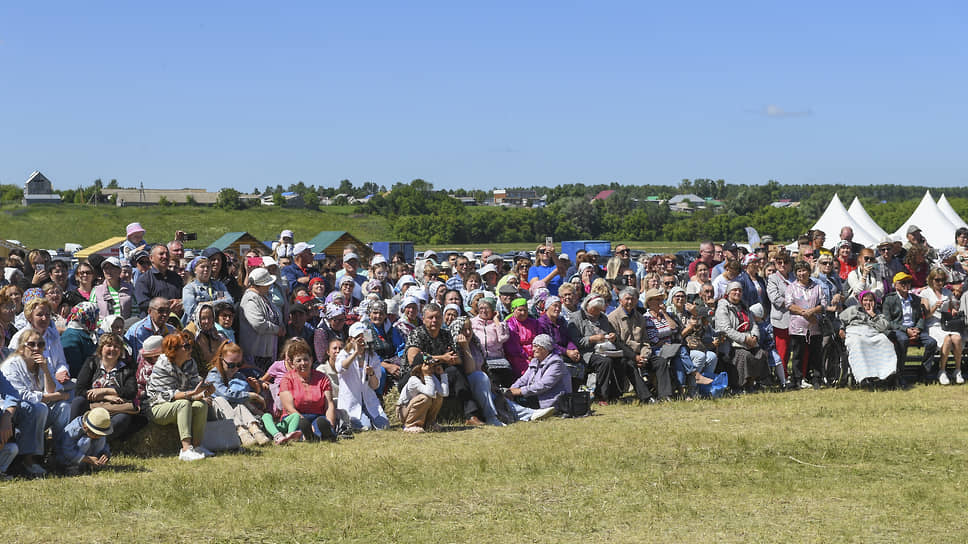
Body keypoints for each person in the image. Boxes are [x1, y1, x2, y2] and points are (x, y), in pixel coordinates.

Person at [1, 329, 71, 476]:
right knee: (40, 408)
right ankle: (29, 460)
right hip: (18, 410)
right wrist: (55, 397)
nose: (36, 348)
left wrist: (45, 370)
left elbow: (52, 389)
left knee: (64, 407)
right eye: (31, 344)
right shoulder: (12, 365)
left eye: (40, 344)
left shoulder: (43, 362)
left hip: (33, 411)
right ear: (21, 347)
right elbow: (20, 396)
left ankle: (61, 453)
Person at [405, 303, 482, 426]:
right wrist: (442, 358)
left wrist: (452, 359)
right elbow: (415, 358)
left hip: (439, 373)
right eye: (431, 318)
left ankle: (471, 415)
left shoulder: (445, 334)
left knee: (457, 371)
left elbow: (456, 358)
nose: (434, 320)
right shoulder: (416, 334)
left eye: (438, 317)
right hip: (417, 375)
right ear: (423, 319)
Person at [145, 332, 215, 461]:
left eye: (190, 346)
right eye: (186, 347)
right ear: (174, 350)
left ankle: (197, 446)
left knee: (201, 405)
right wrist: (193, 393)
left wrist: (205, 392)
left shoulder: (190, 363)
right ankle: (186, 449)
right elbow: (168, 395)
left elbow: (194, 387)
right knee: (183, 404)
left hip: (182, 401)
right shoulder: (162, 365)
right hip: (157, 406)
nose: (190, 349)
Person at [570, 294, 652, 404]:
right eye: (595, 310)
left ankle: (615, 394)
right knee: (605, 362)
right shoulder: (577, 318)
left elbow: (611, 335)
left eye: (599, 310)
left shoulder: (602, 317)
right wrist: (591, 339)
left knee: (623, 361)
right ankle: (602, 396)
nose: (597, 313)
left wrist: (613, 337)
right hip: (587, 353)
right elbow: (575, 341)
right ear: (587, 307)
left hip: (606, 349)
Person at [71, 331, 144, 441]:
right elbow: (79, 390)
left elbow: (131, 391)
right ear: (101, 348)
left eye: (116, 347)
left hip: (115, 409)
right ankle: (70, 438)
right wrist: (106, 396)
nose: (112, 349)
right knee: (78, 402)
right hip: (92, 406)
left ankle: (96, 442)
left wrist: (104, 390)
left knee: (123, 418)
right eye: (109, 345)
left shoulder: (126, 368)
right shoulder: (91, 363)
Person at [206, 341, 271, 447]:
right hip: (217, 410)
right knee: (221, 400)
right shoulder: (213, 375)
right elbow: (226, 395)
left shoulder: (238, 375)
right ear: (221, 360)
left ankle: (254, 429)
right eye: (231, 365)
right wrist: (251, 395)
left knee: (239, 404)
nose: (235, 368)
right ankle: (241, 431)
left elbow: (242, 397)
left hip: (235, 411)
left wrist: (256, 389)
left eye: (239, 364)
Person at [276, 339, 337, 442]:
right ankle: (309, 435)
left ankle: (325, 434)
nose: (303, 363)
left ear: (311, 359)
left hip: (317, 416)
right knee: (302, 426)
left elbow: (329, 404)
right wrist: (306, 423)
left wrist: (330, 423)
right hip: (295, 417)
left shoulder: (322, 378)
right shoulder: (287, 379)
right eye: (298, 360)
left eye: (306, 359)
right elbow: (289, 408)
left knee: (320, 423)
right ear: (292, 363)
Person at [883, 272, 937, 387]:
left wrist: (917, 329)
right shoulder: (889, 299)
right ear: (895, 285)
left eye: (908, 282)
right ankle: (900, 373)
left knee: (931, 343)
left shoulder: (916, 299)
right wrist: (906, 330)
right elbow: (888, 321)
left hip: (914, 328)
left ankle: (923, 372)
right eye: (903, 282)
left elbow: (921, 317)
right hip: (899, 329)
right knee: (903, 340)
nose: (906, 284)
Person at [450, 316, 504, 426]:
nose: (468, 332)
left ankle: (527, 413)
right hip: (466, 384)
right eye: (464, 329)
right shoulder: (454, 346)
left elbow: (484, 366)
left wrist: (491, 384)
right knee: (479, 376)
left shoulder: (475, 344)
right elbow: (470, 371)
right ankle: (491, 417)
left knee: (500, 396)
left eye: (470, 328)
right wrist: (465, 347)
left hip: (482, 384)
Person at [715, 282, 769, 392]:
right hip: (731, 344)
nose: (737, 292)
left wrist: (754, 337)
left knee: (761, 354)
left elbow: (753, 324)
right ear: (728, 292)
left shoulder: (744, 306)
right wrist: (744, 339)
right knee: (745, 356)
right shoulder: (723, 307)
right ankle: (740, 385)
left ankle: (752, 383)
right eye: (734, 290)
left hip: (749, 341)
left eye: (739, 290)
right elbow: (725, 329)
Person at [336, 322, 389, 431]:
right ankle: (349, 421)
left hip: (369, 400)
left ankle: (368, 418)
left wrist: (371, 374)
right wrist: (355, 353)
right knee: (366, 427)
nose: (362, 341)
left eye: (364, 337)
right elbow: (340, 368)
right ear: (351, 339)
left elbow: (375, 386)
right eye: (358, 338)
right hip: (351, 402)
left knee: (384, 427)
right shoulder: (344, 354)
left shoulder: (372, 356)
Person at [502, 334, 566, 422]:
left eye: (536, 346)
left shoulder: (556, 363)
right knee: (501, 396)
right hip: (533, 396)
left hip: (547, 401)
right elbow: (523, 380)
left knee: (505, 401)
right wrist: (511, 390)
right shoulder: (535, 361)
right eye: (533, 346)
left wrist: (519, 391)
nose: (533, 349)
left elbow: (543, 385)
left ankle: (526, 414)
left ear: (545, 348)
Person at [840, 291, 897, 385]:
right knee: (858, 342)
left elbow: (884, 327)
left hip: (872, 333)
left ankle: (885, 373)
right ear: (861, 301)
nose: (868, 302)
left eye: (871, 300)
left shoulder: (877, 312)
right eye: (865, 300)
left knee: (884, 341)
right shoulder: (852, 310)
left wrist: (873, 315)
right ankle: (863, 375)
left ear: (874, 302)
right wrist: (841, 329)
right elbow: (840, 320)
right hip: (856, 332)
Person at [786, 262, 826, 389]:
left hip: (814, 326)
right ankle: (797, 379)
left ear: (809, 272)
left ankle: (816, 378)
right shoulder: (791, 287)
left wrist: (813, 311)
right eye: (799, 271)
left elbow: (823, 303)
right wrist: (804, 312)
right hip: (798, 326)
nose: (801, 273)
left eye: (804, 270)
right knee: (798, 354)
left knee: (816, 353)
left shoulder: (817, 287)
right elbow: (789, 304)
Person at [920, 268, 963, 385]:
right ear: (931, 280)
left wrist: (953, 310)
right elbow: (926, 316)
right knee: (947, 339)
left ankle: (957, 370)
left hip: (946, 324)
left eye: (942, 280)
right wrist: (935, 306)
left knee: (957, 338)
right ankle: (942, 370)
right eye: (937, 280)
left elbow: (952, 308)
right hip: (932, 324)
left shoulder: (947, 293)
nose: (940, 283)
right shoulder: (925, 293)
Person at [239, 268, 285, 370]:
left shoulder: (263, 296)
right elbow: (258, 323)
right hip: (256, 352)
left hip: (267, 351)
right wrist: (277, 329)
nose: (269, 286)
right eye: (267, 283)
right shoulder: (250, 298)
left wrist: (281, 325)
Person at [396, 352, 448, 433]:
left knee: (438, 396)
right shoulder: (413, 380)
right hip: (403, 410)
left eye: (433, 366)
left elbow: (444, 393)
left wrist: (442, 375)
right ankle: (410, 425)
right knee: (424, 398)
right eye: (429, 366)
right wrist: (427, 375)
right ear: (420, 367)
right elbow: (430, 393)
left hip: (416, 408)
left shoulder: (431, 377)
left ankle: (429, 423)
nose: (432, 368)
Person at [54, 406, 113, 475]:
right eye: (96, 434)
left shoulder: (98, 434)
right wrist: (87, 459)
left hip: (87, 456)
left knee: (101, 440)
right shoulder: (74, 429)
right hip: (66, 458)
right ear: (85, 428)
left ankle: (93, 464)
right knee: (85, 441)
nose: (98, 437)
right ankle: (71, 466)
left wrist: (105, 453)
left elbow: (105, 444)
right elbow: (67, 449)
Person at [181, 256, 233, 327]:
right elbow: (192, 310)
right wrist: (218, 303)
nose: (206, 269)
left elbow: (229, 301)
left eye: (208, 267)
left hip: (217, 326)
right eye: (202, 267)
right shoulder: (189, 288)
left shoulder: (218, 286)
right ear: (195, 270)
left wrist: (207, 304)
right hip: (197, 326)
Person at [135, 244, 184, 317]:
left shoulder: (176, 277)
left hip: (175, 323)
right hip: (152, 324)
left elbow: (184, 297)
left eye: (167, 254)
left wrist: (180, 302)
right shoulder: (144, 280)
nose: (165, 256)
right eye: (161, 254)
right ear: (151, 258)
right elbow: (143, 304)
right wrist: (167, 305)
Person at [60, 302, 99, 377]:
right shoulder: (70, 337)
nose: (98, 318)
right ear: (87, 316)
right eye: (96, 314)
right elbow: (74, 368)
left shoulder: (88, 333)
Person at [89, 257, 134, 321]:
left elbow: (135, 311)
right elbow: (91, 312)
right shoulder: (96, 291)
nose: (108, 271)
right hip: (103, 329)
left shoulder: (129, 288)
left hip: (126, 328)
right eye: (106, 268)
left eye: (112, 268)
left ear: (119, 270)